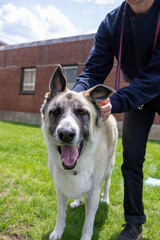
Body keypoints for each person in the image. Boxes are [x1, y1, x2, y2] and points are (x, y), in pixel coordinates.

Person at [72, 0, 160, 239]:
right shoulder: (112, 22)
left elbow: (156, 75)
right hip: (136, 97)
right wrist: (75, 96)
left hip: (150, 86)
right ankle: (134, 224)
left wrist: (118, 101)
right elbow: (93, 70)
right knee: (131, 159)